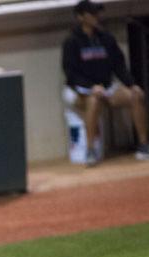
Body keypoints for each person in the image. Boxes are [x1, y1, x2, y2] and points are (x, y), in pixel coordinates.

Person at [62, 0, 149, 165]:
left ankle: (144, 145)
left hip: (106, 86)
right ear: (80, 17)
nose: (96, 16)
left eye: (97, 13)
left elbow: (119, 65)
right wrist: (90, 87)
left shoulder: (106, 38)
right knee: (94, 100)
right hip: (79, 89)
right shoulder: (71, 41)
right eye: (91, 13)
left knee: (136, 96)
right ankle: (90, 150)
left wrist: (131, 84)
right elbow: (70, 73)